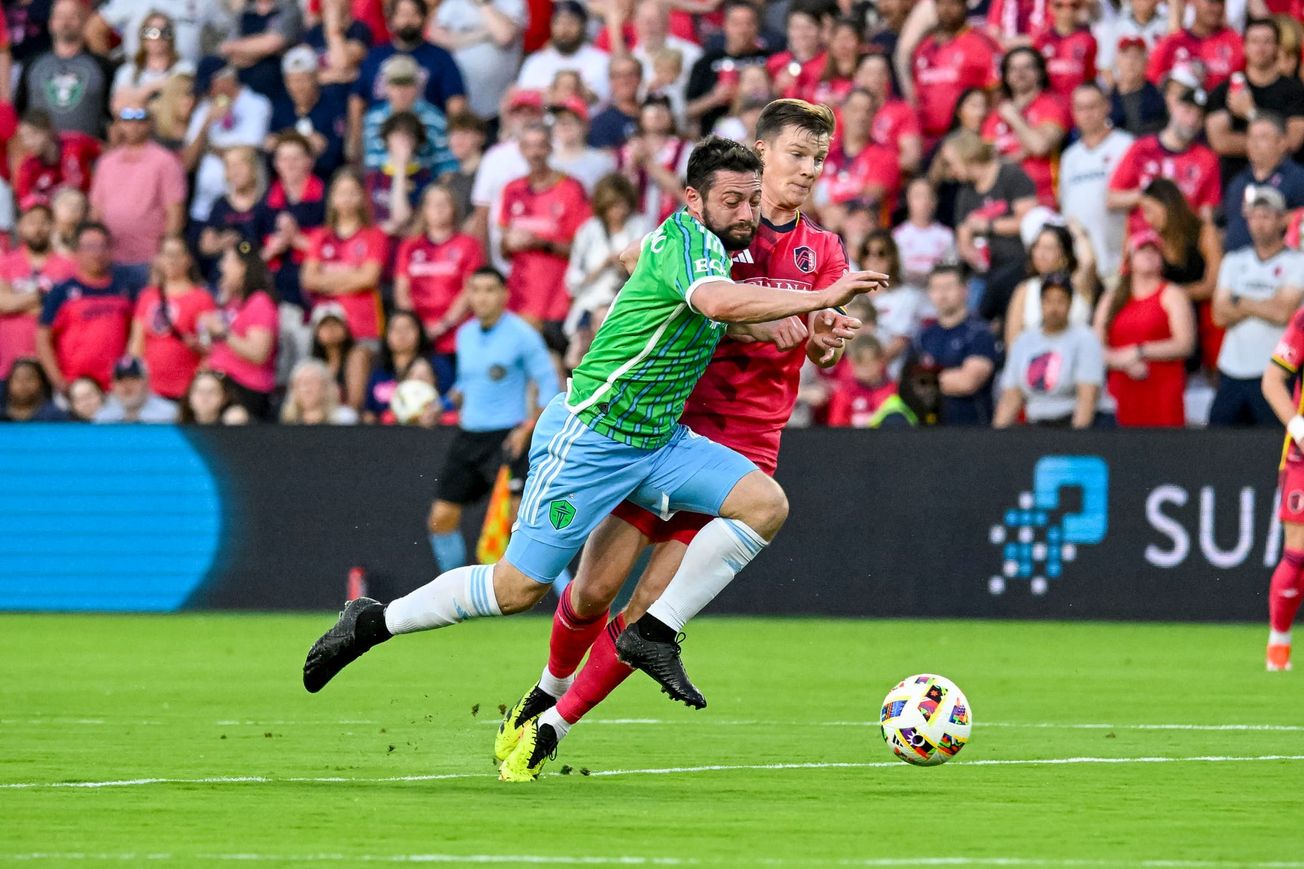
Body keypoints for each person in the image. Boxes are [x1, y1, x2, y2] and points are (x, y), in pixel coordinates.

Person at [301, 135, 884, 770]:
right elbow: (714, 301)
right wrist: (820, 298)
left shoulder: (716, 249)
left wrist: (792, 328)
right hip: (591, 437)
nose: (746, 214)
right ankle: (374, 622)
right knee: (519, 587)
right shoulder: (683, 242)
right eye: (732, 201)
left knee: (765, 505)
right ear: (694, 201)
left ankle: (655, 632)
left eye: (751, 201)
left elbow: (717, 314)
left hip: (661, 443)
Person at [492, 103, 866, 781]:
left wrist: (826, 341)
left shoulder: (824, 252)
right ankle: (543, 688)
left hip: (748, 442)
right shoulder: (718, 229)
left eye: (819, 158)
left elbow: (820, 354)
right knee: (591, 590)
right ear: (761, 152)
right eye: (797, 154)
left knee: (648, 610)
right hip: (673, 427)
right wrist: (757, 326)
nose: (809, 170)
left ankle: (553, 725)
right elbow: (679, 293)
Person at [424, 265, 558, 570]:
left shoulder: (523, 335)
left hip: (508, 436)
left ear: (504, 294)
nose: (482, 298)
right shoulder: (465, 334)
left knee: (520, 523)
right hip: (468, 435)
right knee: (440, 518)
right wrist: (442, 404)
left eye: (489, 290)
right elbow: (466, 384)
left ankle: (549, 596)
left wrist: (527, 427)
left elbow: (549, 386)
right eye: (475, 290)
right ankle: (454, 591)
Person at [1210, 186, 1304, 426]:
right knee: (1216, 444)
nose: (1259, 223)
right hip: (1232, 369)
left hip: (1275, 371)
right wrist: (1266, 303)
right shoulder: (1234, 260)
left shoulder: (1298, 262)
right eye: (1253, 216)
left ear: (1282, 219)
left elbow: (1282, 313)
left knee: (1272, 446)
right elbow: (1219, 315)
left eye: (1266, 216)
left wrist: (1239, 302)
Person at [498, 124, 591, 349]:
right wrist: (508, 243)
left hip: (558, 301)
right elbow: (503, 250)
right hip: (519, 301)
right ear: (521, 150)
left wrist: (542, 243)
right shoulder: (512, 189)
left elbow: (582, 249)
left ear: (550, 148)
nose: (534, 153)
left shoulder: (571, 188)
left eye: (540, 146)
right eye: (528, 146)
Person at [1094, 229, 1196, 427]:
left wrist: (1139, 351)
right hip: (1122, 386)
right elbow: (1095, 343)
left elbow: (1185, 344)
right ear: (1129, 259)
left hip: (1162, 387)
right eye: (1142, 250)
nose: (1149, 254)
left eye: (1154, 251)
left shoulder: (1172, 294)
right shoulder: (1113, 297)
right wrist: (1120, 361)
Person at [394, 185, 483, 393]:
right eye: (433, 204)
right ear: (423, 210)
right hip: (417, 337)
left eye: (445, 203)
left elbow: (470, 290)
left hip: (456, 336)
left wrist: (442, 325)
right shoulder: (410, 246)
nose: (439, 209)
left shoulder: (468, 245)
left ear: (454, 208)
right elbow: (402, 291)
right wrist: (417, 327)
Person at [89, 104, 188, 291]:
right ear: (118, 125)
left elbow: (175, 213)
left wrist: (164, 258)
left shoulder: (165, 160)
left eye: (140, 121)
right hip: (111, 258)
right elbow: (96, 211)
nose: (133, 126)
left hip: (149, 259)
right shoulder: (106, 162)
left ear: (149, 124)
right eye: (127, 121)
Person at [994, 273, 1105, 429]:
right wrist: (996, 438)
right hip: (1036, 424)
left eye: (1061, 301)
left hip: (1071, 420)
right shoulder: (1024, 341)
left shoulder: (1085, 338)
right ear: (1040, 303)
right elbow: (1011, 397)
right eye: (1049, 300)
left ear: (1070, 304)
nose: (1054, 308)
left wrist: (1077, 439)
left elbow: (1087, 397)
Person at [1259, 288, 1304, 671]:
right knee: (1298, 550)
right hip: (1303, 456)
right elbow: (1272, 380)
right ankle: (1279, 639)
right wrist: (1297, 425)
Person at [950, 131, 1039, 323]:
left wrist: (987, 226)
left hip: (1018, 265)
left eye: (952, 163)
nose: (951, 171)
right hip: (985, 273)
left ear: (967, 156)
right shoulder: (966, 192)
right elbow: (963, 237)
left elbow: (1029, 221)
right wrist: (969, 252)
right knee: (973, 318)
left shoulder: (1010, 174)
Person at [1108, 85, 1221, 235]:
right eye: (1187, 111)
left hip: (1183, 240)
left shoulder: (1207, 159)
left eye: (1199, 116)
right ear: (1173, 107)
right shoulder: (1142, 148)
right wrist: (1148, 195)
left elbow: (1207, 213)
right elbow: (1112, 199)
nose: (1192, 120)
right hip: (1144, 240)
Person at [563, 172, 647, 369]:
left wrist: (624, 265)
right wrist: (602, 266)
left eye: (623, 204)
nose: (619, 211)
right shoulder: (589, 231)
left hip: (626, 302)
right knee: (575, 357)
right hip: (590, 301)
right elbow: (572, 282)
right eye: (613, 205)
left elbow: (649, 271)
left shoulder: (640, 226)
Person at [1205, 18, 1304, 185]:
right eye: (1254, 41)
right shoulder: (1224, 91)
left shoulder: (1295, 90)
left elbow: (1293, 141)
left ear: (1277, 48)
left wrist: (1251, 113)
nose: (1260, 48)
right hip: (1236, 180)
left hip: (1285, 183)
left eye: (1267, 41)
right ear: (1244, 47)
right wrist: (1273, 144)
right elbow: (1220, 142)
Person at [37, 222, 132, 392]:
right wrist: (57, 380)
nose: (97, 253)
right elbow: (42, 338)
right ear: (76, 252)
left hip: (116, 388)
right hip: (74, 387)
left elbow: (134, 337)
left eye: (102, 246)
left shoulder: (123, 290)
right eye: (89, 247)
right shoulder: (61, 291)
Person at [301, 168, 388, 348]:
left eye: (352, 192)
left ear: (363, 197)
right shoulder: (320, 235)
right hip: (325, 325)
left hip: (364, 323)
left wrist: (327, 285)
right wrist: (353, 279)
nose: (346, 198)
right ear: (332, 198)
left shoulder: (375, 235)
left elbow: (369, 278)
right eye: (341, 192)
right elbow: (309, 279)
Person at [350, 0, 467, 131]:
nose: (408, 20)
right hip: (378, 137)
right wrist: (354, 143)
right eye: (402, 14)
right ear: (391, 21)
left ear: (424, 19)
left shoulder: (441, 58)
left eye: (414, 14)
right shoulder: (374, 56)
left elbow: (456, 102)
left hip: (428, 137)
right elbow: (357, 100)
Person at [1059, 83, 1135, 279]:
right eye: (1081, 108)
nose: (1087, 114)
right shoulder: (1069, 157)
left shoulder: (1127, 145)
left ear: (1106, 106)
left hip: (1120, 257)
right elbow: (1066, 206)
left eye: (1092, 106)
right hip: (1083, 263)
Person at [980, 47, 1071, 208]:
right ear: (1006, 76)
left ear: (1040, 72)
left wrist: (1014, 118)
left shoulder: (1052, 105)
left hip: (1042, 200)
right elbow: (985, 162)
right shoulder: (995, 116)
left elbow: (1040, 146)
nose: (1019, 73)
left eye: (1027, 67)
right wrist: (1023, 151)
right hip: (1001, 204)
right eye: (1013, 68)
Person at [128, 236, 216, 402]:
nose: (172, 260)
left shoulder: (202, 298)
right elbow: (136, 344)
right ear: (159, 259)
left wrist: (199, 385)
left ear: (188, 259)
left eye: (177, 255)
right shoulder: (147, 296)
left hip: (187, 389)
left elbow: (210, 348)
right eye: (167, 254)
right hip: (150, 390)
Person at [909, 264, 998, 426]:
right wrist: (947, 378)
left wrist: (929, 380)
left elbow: (968, 382)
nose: (942, 294)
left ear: (965, 290)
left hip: (972, 428)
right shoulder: (923, 336)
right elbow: (908, 383)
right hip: (929, 430)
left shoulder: (979, 333)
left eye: (949, 287)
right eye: (936, 288)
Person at [183, 65, 273, 223]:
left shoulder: (256, 103)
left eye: (209, 86)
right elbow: (187, 162)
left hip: (243, 205)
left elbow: (249, 150)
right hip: (204, 206)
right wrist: (206, 124)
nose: (207, 92)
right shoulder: (205, 109)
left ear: (224, 79)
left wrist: (210, 147)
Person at [201, 240, 279, 419]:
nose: (221, 266)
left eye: (227, 261)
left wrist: (223, 332)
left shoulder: (260, 301)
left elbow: (259, 353)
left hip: (245, 390)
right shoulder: (231, 303)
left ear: (242, 267)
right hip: (221, 383)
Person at [0, 203, 76, 384]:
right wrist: (44, 297)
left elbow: (66, 312)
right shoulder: (6, 263)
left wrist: (17, 304)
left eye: (44, 222)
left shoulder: (68, 266)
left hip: (53, 364)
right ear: (20, 225)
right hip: (8, 363)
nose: (38, 228)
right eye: (32, 222)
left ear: (53, 226)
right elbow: (2, 303)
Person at [15, 0, 112, 138]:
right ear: (51, 23)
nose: (66, 23)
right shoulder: (32, 64)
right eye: (60, 16)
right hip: (41, 154)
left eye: (73, 17)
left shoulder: (102, 66)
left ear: (84, 21)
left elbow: (110, 116)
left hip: (88, 152)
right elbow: (20, 111)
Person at [910, 0, 1000, 147]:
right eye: (941, 4)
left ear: (965, 5)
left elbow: (996, 95)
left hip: (968, 137)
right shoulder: (923, 47)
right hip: (928, 140)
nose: (947, 9)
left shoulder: (981, 44)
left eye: (953, 3)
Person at [1004, 221, 1098, 350]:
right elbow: (1013, 342)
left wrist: (1078, 233)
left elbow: (1088, 262)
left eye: (1048, 248)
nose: (1041, 254)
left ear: (1065, 254)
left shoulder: (1078, 285)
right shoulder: (1026, 289)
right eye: (1037, 247)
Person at [428, 0, 525, 123]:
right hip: (461, 100)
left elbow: (504, 36)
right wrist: (484, 34)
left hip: (498, 105)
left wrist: (483, 4)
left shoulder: (511, 2)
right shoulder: (453, 3)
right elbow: (437, 38)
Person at [684, 0, 769, 138]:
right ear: (725, 26)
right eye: (736, 24)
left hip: (762, 134)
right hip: (716, 142)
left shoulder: (770, 59)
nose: (743, 30)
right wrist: (714, 97)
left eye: (749, 23)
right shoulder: (706, 62)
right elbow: (688, 110)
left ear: (757, 26)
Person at [359, 54, 455, 176]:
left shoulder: (435, 119)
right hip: (381, 187)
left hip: (424, 187)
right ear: (386, 87)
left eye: (407, 84)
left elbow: (445, 167)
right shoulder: (372, 119)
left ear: (417, 86)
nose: (401, 91)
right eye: (396, 84)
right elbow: (371, 164)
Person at [1223, 114, 1304, 252]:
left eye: (1263, 137)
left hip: (1284, 264)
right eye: (1251, 137)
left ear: (1282, 143)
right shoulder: (1238, 182)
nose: (1254, 143)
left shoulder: (1297, 178)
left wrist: (1285, 219)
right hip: (1237, 265)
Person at [269, 45, 347, 179]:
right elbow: (271, 143)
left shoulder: (333, 107)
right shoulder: (281, 110)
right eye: (293, 81)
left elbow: (336, 151)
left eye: (303, 80)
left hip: (325, 179)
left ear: (315, 78)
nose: (298, 87)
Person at [860, 230, 930, 380]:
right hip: (854, 375)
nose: (873, 259)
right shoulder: (851, 295)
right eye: (867, 253)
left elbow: (900, 342)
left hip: (891, 376)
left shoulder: (907, 296)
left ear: (892, 257)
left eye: (881, 253)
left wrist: (873, 366)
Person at [198, 146, 265, 277]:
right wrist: (222, 243)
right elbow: (205, 246)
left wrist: (244, 246)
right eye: (230, 166)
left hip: (257, 275)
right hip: (223, 275)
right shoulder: (220, 204)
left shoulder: (266, 202)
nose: (235, 172)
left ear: (253, 169)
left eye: (240, 165)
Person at [1147, 0, 1244, 90]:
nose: (1216, 8)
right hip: (1180, 105)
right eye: (1211, 2)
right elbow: (1152, 83)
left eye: (1220, 2)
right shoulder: (1172, 43)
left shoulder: (1236, 42)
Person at [13, 108, 99, 206]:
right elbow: (24, 201)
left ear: (49, 130)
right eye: (23, 138)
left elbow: (107, 157)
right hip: (51, 217)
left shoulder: (76, 143)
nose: (28, 142)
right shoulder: (28, 167)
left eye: (33, 134)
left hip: (89, 208)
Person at [361, 309, 434, 423]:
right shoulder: (379, 372)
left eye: (408, 328)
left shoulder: (435, 365)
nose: (402, 334)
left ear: (419, 332)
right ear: (387, 336)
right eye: (395, 329)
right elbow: (368, 411)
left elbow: (447, 402)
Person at [364, 111, 432, 233]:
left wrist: (401, 168)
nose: (403, 141)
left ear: (416, 142)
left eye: (409, 136)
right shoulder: (373, 178)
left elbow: (401, 217)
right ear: (387, 139)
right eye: (397, 135)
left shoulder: (425, 179)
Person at [109, 11, 187, 114]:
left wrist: (134, 98)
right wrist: (149, 89)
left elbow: (183, 107)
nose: (158, 38)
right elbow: (117, 108)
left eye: (164, 32)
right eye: (151, 32)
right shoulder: (128, 71)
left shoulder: (184, 69)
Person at [827, 336, 911, 428]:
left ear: (881, 361)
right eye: (856, 365)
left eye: (867, 365)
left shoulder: (895, 391)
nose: (861, 370)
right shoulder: (845, 393)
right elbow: (836, 429)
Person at [893, 178, 956, 289]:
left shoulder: (946, 235)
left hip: (937, 295)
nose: (924, 202)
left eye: (928, 196)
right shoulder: (897, 236)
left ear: (935, 200)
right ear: (908, 200)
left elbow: (952, 269)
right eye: (918, 196)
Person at [548, 97, 617, 194]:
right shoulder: (546, 162)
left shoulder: (602, 162)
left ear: (585, 126)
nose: (564, 124)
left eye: (571, 120)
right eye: (560, 119)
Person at [309, 302, 370, 409]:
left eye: (335, 323)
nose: (331, 328)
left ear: (345, 328)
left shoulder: (357, 355)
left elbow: (355, 402)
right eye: (324, 325)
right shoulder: (314, 364)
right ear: (316, 332)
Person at [1035, 0, 1097, 101]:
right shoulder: (1041, 40)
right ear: (1049, 7)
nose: (1066, 10)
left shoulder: (1088, 40)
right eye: (1059, 5)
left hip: (1077, 105)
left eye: (1074, 5)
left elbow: (1090, 77)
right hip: (1050, 105)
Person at [1108, 36, 1168, 137]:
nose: (1130, 62)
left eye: (1136, 56)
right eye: (1126, 56)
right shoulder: (1106, 99)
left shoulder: (1159, 98)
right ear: (1117, 61)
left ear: (1146, 62)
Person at [93, 355, 178, 422]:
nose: (127, 386)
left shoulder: (169, 415)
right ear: (113, 385)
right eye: (120, 381)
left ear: (146, 381)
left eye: (133, 380)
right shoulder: (103, 417)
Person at [438, 112, 488, 225]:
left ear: (480, 137)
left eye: (465, 133)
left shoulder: (489, 173)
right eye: (453, 134)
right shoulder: (448, 179)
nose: (458, 140)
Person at [281, 358, 359, 424]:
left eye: (311, 381)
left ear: (326, 386)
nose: (306, 388)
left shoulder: (344, 418)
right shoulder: (288, 422)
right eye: (300, 382)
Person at [589, 55, 642, 151]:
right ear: (610, 81)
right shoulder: (600, 123)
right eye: (618, 76)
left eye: (631, 74)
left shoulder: (657, 115)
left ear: (640, 78)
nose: (625, 80)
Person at [0, 358, 68, 421]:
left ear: (41, 382)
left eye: (29, 378)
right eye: (17, 378)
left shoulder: (55, 417)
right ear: (8, 383)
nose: (23, 383)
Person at [178, 369, 250, 424]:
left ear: (224, 398)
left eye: (211, 392)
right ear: (189, 397)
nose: (204, 397)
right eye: (199, 391)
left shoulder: (232, 420)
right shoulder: (177, 427)